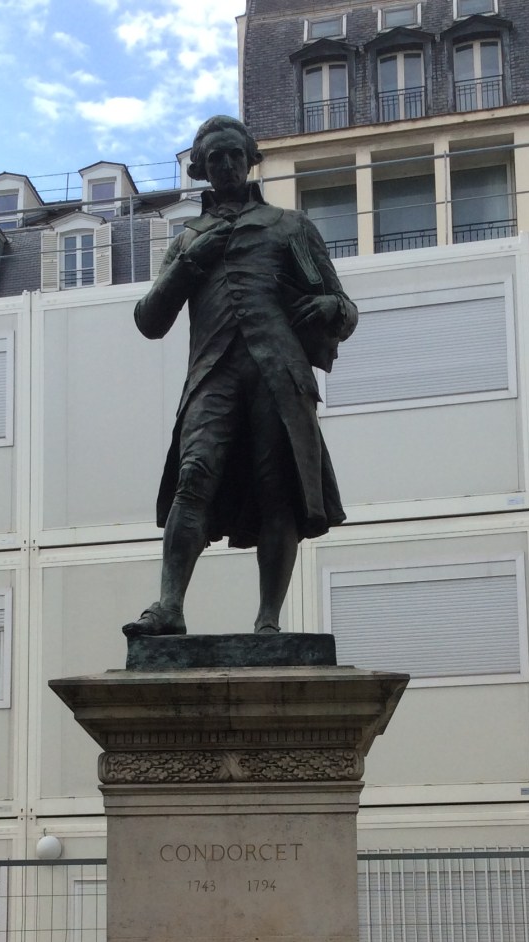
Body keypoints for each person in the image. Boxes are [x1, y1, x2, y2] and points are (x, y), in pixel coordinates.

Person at [123, 114, 358, 638]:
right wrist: (189, 266)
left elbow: (342, 304)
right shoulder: (188, 240)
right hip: (212, 375)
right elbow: (149, 320)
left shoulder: (289, 226)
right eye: (213, 159)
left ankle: (268, 622)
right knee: (193, 477)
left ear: (250, 158)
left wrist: (327, 306)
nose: (225, 165)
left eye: (233, 155)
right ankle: (169, 608)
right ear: (201, 169)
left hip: (278, 374)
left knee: (279, 492)